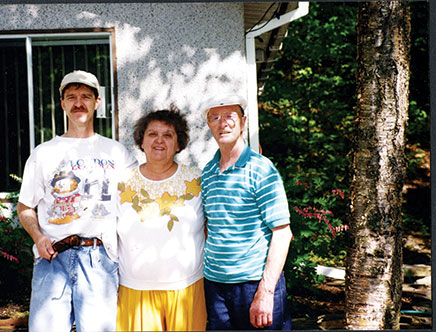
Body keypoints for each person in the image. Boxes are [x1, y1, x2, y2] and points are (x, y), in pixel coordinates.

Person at [17, 70, 137, 332]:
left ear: (97, 102)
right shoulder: (44, 153)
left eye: (85, 96)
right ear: (62, 104)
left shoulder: (116, 152)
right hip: (52, 259)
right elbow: (25, 206)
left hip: (99, 260)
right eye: (71, 97)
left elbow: (136, 202)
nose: (78, 103)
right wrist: (38, 237)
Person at [200, 94, 293, 330]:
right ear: (209, 125)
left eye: (230, 116)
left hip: (254, 285)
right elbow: (209, 228)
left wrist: (266, 291)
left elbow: (282, 234)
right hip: (215, 286)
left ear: (243, 122)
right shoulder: (208, 173)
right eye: (215, 117)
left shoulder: (261, 169)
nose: (223, 123)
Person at [116, 107, 207, 331]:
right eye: (152, 134)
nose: (159, 141)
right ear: (141, 141)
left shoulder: (197, 180)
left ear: (178, 144)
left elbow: (210, 228)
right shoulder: (120, 182)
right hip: (134, 290)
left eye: (168, 135)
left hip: (187, 289)